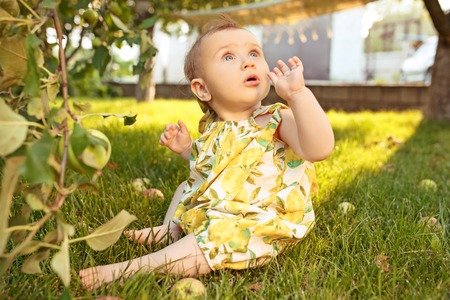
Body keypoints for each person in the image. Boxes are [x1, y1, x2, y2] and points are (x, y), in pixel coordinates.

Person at [79, 15, 334, 290]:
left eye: (253, 53)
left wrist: (298, 95)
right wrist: (187, 150)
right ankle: (169, 230)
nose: (247, 62)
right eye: (228, 57)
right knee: (185, 187)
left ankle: (134, 269)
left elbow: (319, 148)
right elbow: (212, 171)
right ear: (202, 89)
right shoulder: (213, 129)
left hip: (259, 218)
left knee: (219, 235)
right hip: (221, 207)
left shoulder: (277, 120)